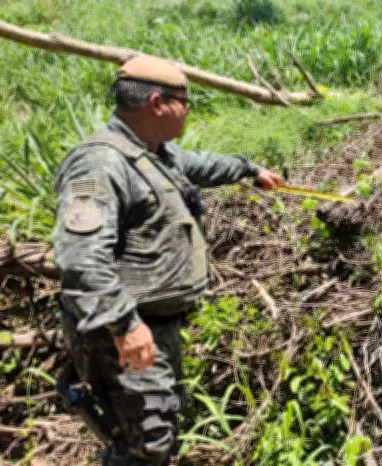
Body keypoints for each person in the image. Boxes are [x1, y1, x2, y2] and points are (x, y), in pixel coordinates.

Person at [53, 55, 282, 465]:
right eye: (184, 101)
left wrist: (250, 170)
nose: (188, 111)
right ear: (157, 103)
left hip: (155, 325)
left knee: (158, 426)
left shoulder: (156, 154)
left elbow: (205, 164)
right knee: (149, 443)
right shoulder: (99, 163)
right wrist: (124, 325)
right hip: (120, 331)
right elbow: (82, 256)